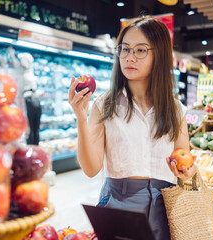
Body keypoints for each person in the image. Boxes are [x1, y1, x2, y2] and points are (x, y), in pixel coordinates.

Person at [68, 16, 196, 240]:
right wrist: (80, 117)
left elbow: (184, 164)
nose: (130, 57)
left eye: (140, 50)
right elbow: (90, 169)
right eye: (125, 50)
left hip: (165, 207)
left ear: (160, 54)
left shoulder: (175, 110)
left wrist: (186, 172)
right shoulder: (104, 104)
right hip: (118, 203)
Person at [19, 53, 42, 145]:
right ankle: (33, 147)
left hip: (30, 100)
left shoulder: (26, 72)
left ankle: (33, 147)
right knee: (33, 128)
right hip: (32, 100)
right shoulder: (28, 72)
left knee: (32, 127)